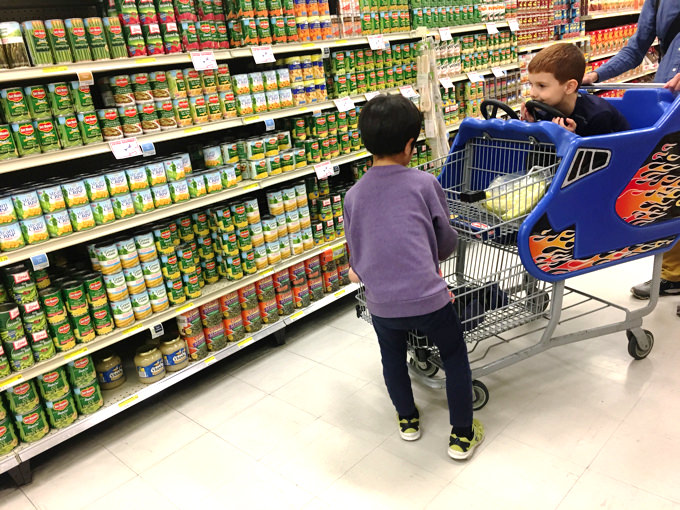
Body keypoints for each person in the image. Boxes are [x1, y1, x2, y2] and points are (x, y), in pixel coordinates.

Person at [343, 94, 484, 460]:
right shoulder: (423, 184)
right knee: (454, 356)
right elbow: (446, 241)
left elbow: (355, 254)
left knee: (391, 359)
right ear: (410, 145)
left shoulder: (353, 195)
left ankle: (407, 420)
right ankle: (462, 435)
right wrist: (431, 256)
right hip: (429, 300)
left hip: (382, 305)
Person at [582, 0, 680, 302]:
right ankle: (673, 274)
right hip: (669, 101)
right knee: (671, 184)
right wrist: (597, 76)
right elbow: (637, 47)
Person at [520, 43, 631, 136]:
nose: (532, 93)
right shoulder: (543, 110)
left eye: (542, 86)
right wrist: (533, 126)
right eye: (531, 84)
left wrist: (570, 138)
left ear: (569, 87)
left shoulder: (597, 116)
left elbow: (604, 156)